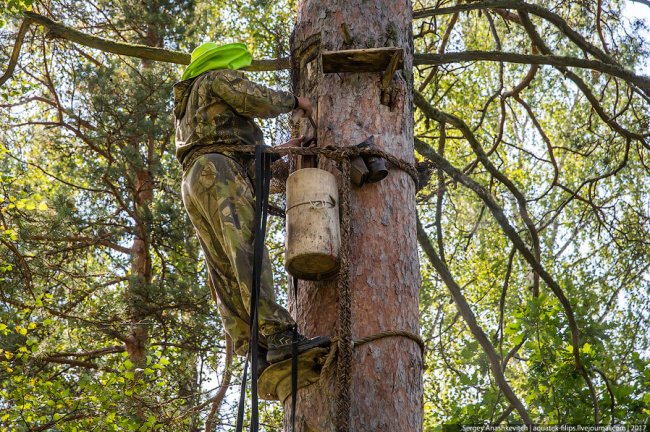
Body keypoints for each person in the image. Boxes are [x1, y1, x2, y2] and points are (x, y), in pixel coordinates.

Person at [173, 42, 329, 372]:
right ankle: (279, 335)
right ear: (220, 61)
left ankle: (254, 349)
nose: (239, 72)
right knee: (247, 249)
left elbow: (227, 143)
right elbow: (254, 98)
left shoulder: (190, 106)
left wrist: (276, 151)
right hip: (218, 172)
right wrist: (297, 102)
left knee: (224, 268)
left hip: (195, 180)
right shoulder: (215, 78)